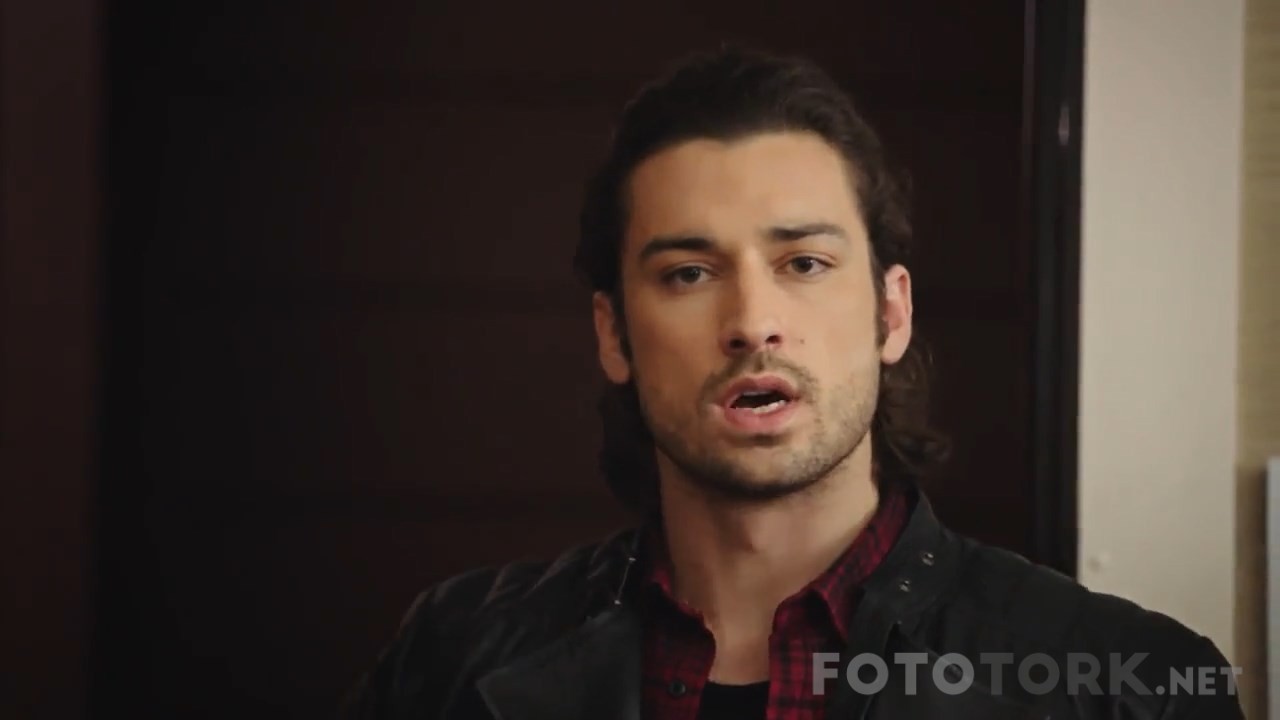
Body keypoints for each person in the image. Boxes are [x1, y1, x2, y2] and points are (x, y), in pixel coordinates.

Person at [341, 46, 1243, 719]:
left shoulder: (1135, 686)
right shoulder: (447, 658)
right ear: (613, 334)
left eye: (804, 263)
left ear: (891, 312)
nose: (752, 320)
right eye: (689, 273)